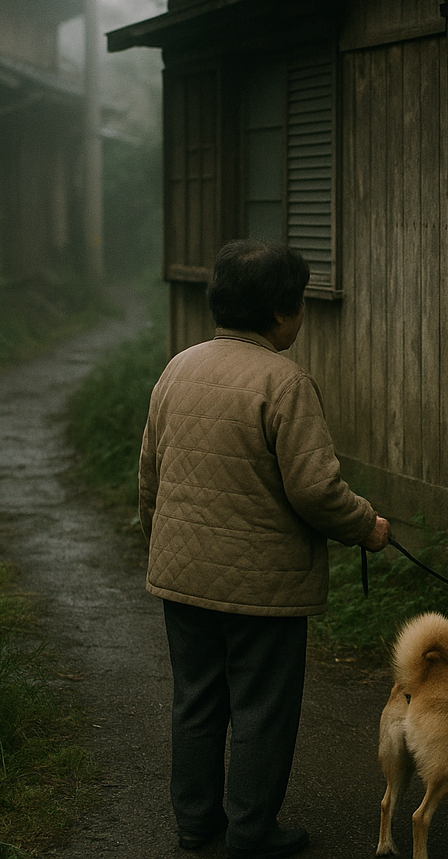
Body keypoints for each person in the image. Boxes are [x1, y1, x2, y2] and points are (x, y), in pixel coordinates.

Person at [138, 239, 390, 859]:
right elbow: (315, 490)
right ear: (281, 311)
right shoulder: (285, 382)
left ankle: (196, 822)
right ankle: (251, 832)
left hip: (182, 575)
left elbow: (150, 471)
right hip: (263, 589)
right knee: (261, 709)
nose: (303, 317)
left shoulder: (178, 367)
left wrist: (161, 540)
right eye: (301, 305)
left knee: (196, 699)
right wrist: (367, 527)